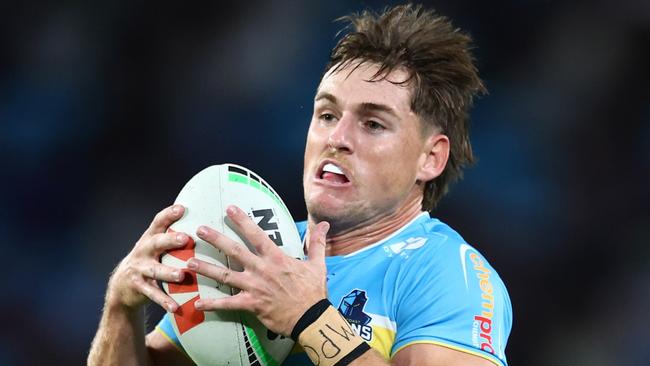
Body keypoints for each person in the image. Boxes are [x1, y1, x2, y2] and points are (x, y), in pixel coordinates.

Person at [88, 4, 512, 366]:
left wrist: (310, 318)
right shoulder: (259, 252)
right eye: (327, 115)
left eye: (373, 123)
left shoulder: (446, 274)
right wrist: (122, 306)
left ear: (430, 157)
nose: (337, 138)